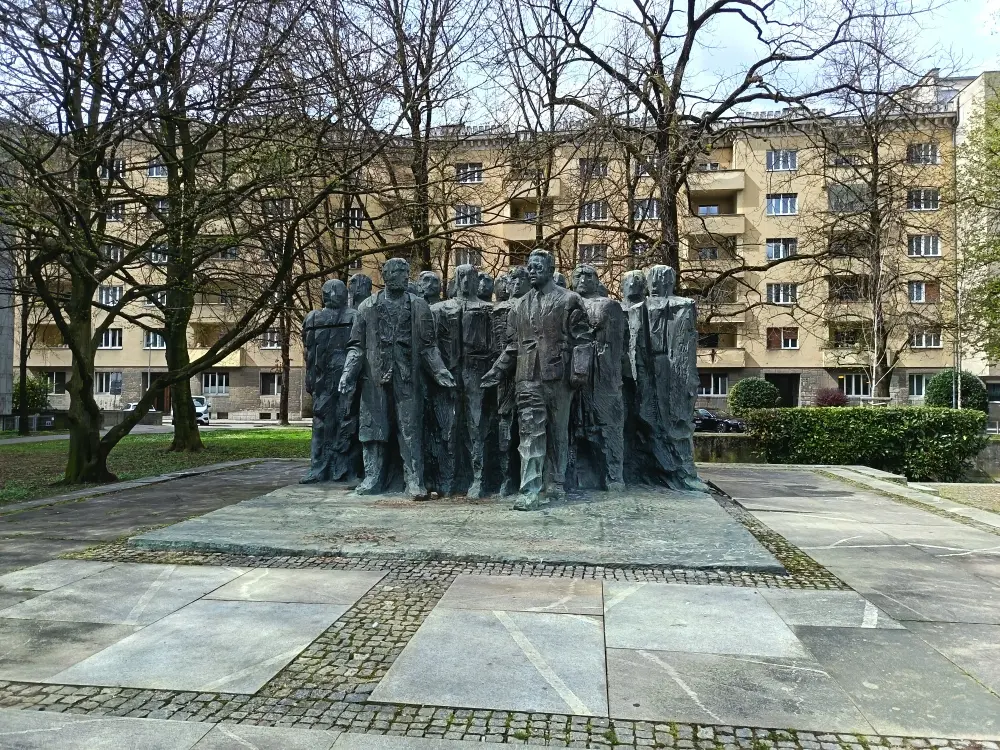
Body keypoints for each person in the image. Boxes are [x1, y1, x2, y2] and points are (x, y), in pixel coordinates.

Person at [482, 249, 593, 510]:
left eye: (537, 266)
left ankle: (555, 483)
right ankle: (529, 489)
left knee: (557, 432)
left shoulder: (569, 300)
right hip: (527, 378)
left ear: (551, 269)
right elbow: (512, 346)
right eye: (529, 267)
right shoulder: (518, 305)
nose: (531, 271)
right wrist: (497, 370)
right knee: (530, 432)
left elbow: (584, 339)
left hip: (559, 377)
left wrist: (579, 372)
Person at [340, 258, 456, 499]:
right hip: (374, 380)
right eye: (399, 272)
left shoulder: (419, 306)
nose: (405, 276)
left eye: (406, 271)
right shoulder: (367, 308)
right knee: (372, 430)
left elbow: (428, 346)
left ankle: (414, 481)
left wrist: (440, 371)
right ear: (386, 276)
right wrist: (348, 373)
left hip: (407, 379)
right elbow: (356, 347)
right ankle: (373, 478)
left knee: (411, 430)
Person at [432, 264, 495, 497]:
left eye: (471, 276)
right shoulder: (439, 310)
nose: (466, 281)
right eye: (462, 276)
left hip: (477, 372)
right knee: (447, 426)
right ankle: (448, 477)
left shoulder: (488, 309)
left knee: (477, 426)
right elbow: (430, 345)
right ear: (455, 280)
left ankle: (478, 478)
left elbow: (496, 346)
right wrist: (439, 370)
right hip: (448, 373)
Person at [641, 265, 706, 491]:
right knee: (649, 417)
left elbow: (684, 342)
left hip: (673, 369)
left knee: (677, 420)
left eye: (660, 280)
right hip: (648, 367)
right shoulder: (642, 306)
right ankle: (657, 469)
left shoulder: (683, 305)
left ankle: (683, 473)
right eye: (653, 280)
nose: (656, 284)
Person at [571, 264, 626, 491]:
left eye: (588, 275)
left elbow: (620, 343)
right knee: (571, 423)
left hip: (603, 371)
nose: (583, 279)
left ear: (597, 280)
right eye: (578, 276)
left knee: (608, 423)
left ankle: (614, 475)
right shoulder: (566, 303)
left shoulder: (610, 305)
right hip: (572, 370)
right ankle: (569, 475)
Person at [301, 279, 358, 483]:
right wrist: (310, 378)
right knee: (320, 424)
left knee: (347, 422)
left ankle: (344, 469)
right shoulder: (313, 318)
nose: (331, 295)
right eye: (328, 291)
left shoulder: (353, 316)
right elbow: (309, 352)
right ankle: (318, 468)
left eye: (336, 291)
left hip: (346, 379)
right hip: (322, 380)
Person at [490, 266, 530, 495]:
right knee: (504, 425)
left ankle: (528, 478)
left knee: (529, 427)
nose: (513, 284)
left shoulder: (531, 305)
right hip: (503, 375)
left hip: (528, 372)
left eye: (518, 280)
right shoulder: (498, 309)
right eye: (511, 280)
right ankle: (506, 478)